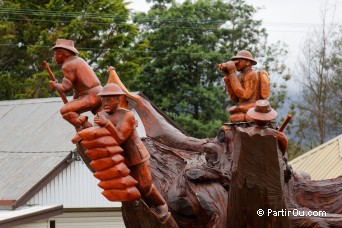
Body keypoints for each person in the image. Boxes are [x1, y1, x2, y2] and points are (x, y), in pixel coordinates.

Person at [94, 83, 169, 221]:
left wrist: (106, 124)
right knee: (128, 189)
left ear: (117, 100)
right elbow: (97, 135)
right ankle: (141, 211)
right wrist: (84, 125)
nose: (105, 102)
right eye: (103, 99)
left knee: (144, 186)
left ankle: (161, 204)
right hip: (120, 159)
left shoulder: (126, 116)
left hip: (136, 157)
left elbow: (119, 137)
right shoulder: (101, 115)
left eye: (109, 99)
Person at [49, 39, 102, 131]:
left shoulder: (68, 65)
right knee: (101, 118)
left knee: (65, 110)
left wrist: (55, 85)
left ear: (61, 53)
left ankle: (86, 127)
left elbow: (66, 88)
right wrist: (74, 100)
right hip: (100, 95)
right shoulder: (79, 60)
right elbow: (78, 88)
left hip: (91, 97)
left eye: (55, 54)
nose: (54, 57)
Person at [218, 50, 269, 123]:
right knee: (234, 113)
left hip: (252, 107)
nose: (236, 63)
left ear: (248, 62)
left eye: (238, 60)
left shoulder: (251, 74)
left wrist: (232, 73)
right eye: (235, 61)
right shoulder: (238, 76)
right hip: (243, 107)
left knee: (238, 115)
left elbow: (244, 95)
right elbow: (235, 99)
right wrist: (228, 76)